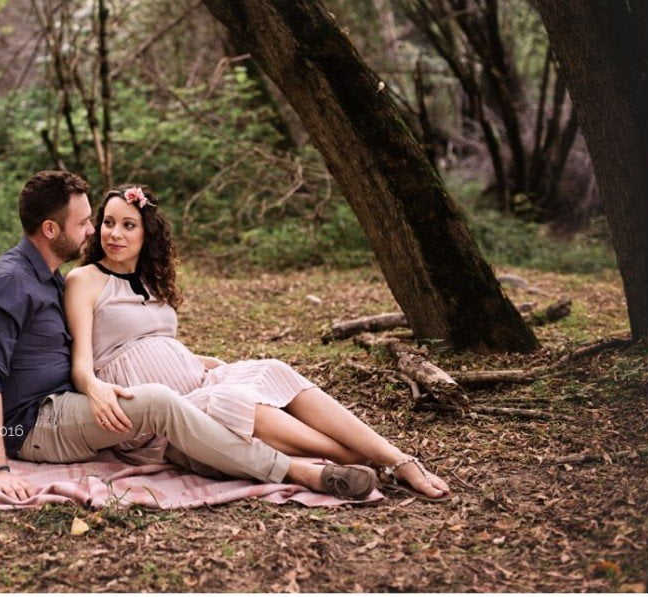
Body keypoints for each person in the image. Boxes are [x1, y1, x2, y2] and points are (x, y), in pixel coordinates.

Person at [0, 171, 379, 502]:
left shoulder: (50, 277)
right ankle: (301, 471)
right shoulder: (7, 283)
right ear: (51, 229)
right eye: (87, 222)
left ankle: (356, 456)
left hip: (70, 406)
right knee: (159, 401)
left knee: (192, 417)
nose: (94, 231)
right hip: (33, 425)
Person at [63, 184, 450, 501]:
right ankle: (378, 459)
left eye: (128, 225)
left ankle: (391, 456)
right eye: (109, 223)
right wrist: (93, 390)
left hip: (194, 380)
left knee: (274, 369)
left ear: (147, 233)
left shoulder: (150, 282)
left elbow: (152, 340)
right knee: (237, 402)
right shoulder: (84, 280)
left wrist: (195, 358)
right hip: (156, 413)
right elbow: (84, 360)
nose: (115, 234)